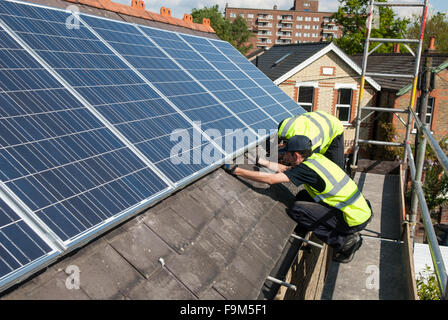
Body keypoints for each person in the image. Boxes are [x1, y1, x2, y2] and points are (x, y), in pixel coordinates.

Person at [223, 135, 372, 263]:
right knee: (301, 196)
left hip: (351, 219)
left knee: (297, 210)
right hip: (359, 210)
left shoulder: (306, 169)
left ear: (296, 155)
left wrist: (237, 170)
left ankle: (345, 242)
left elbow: (270, 179)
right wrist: (263, 162)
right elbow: (287, 170)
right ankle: (327, 229)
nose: (285, 157)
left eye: (287, 154)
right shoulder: (316, 159)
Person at [278, 110, 345, 170]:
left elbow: (304, 168)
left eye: (288, 159)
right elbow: (272, 144)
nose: (288, 161)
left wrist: (286, 168)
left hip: (333, 125)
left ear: (296, 156)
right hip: (315, 117)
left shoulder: (310, 147)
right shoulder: (284, 127)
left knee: (336, 168)